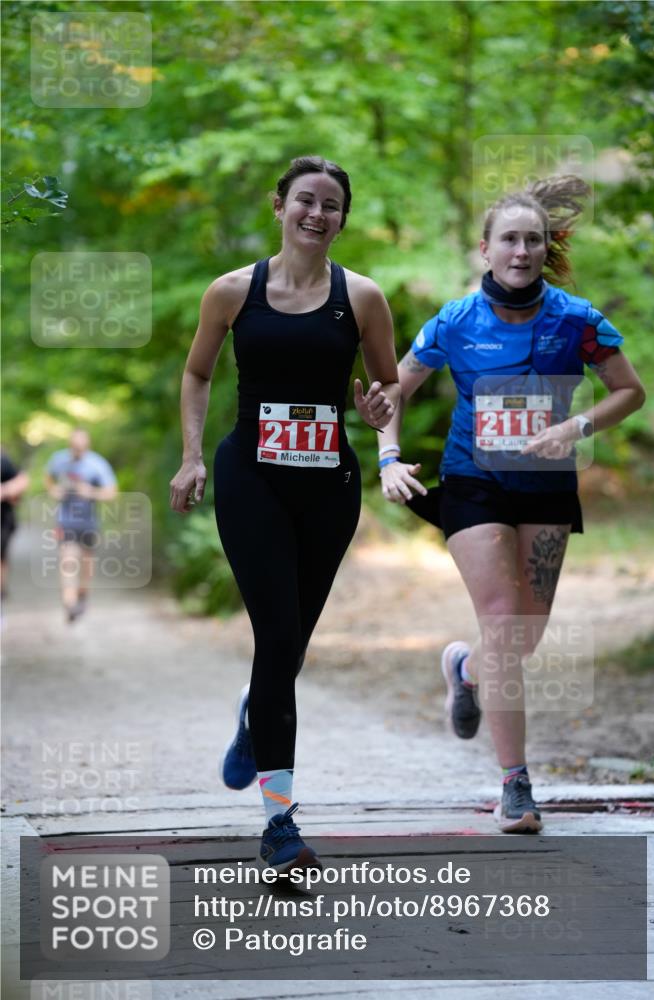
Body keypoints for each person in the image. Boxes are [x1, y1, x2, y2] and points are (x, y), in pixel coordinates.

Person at [379, 175, 646, 833]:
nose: (520, 251)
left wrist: (574, 428)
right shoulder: (455, 321)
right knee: (502, 620)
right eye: (508, 240)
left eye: (532, 240)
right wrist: (388, 456)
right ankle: (515, 784)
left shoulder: (577, 321)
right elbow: (393, 389)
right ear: (485, 249)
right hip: (473, 481)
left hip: (546, 485)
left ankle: (465, 669)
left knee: (521, 636)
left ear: (544, 248)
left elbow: (629, 392)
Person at [170, 156, 399, 871]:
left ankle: (254, 713)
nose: (316, 214)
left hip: (328, 482)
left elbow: (389, 386)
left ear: (342, 219)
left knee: (291, 643)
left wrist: (381, 419)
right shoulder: (232, 291)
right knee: (275, 638)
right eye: (305, 200)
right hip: (251, 478)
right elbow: (197, 372)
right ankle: (280, 822)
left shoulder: (362, 297)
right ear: (279, 206)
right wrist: (191, 457)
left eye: (331, 205)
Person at [45, 429, 118, 622]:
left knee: (86, 562)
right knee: (67, 560)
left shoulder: (97, 464)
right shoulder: (59, 460)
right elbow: (48, 479)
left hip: (88, 522)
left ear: (87, 445)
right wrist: (54, 491)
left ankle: (82, 595)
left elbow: (112, 493)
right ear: (69, 445)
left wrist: (90, 492)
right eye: (74, 447)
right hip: (65, 521)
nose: (77, 450)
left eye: (81, 447)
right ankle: (69, 603)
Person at [1, 449, 29, 599]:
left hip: (3, 519)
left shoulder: (3, 461)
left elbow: (22, 480)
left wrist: (5, 490)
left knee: (2, 554)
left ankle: (2, 589)